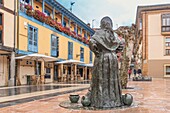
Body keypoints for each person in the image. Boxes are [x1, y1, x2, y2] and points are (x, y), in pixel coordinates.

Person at [87, 16, 123, 108]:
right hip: (113, 58)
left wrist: (96, 51)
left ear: (102, 23)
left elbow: (92, 43)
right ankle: (115, 101)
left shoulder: (98, 33)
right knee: (113, 79)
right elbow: (120, 47)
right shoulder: (114, 35)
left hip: (102, 57)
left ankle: (99, 102)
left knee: (100, 79)